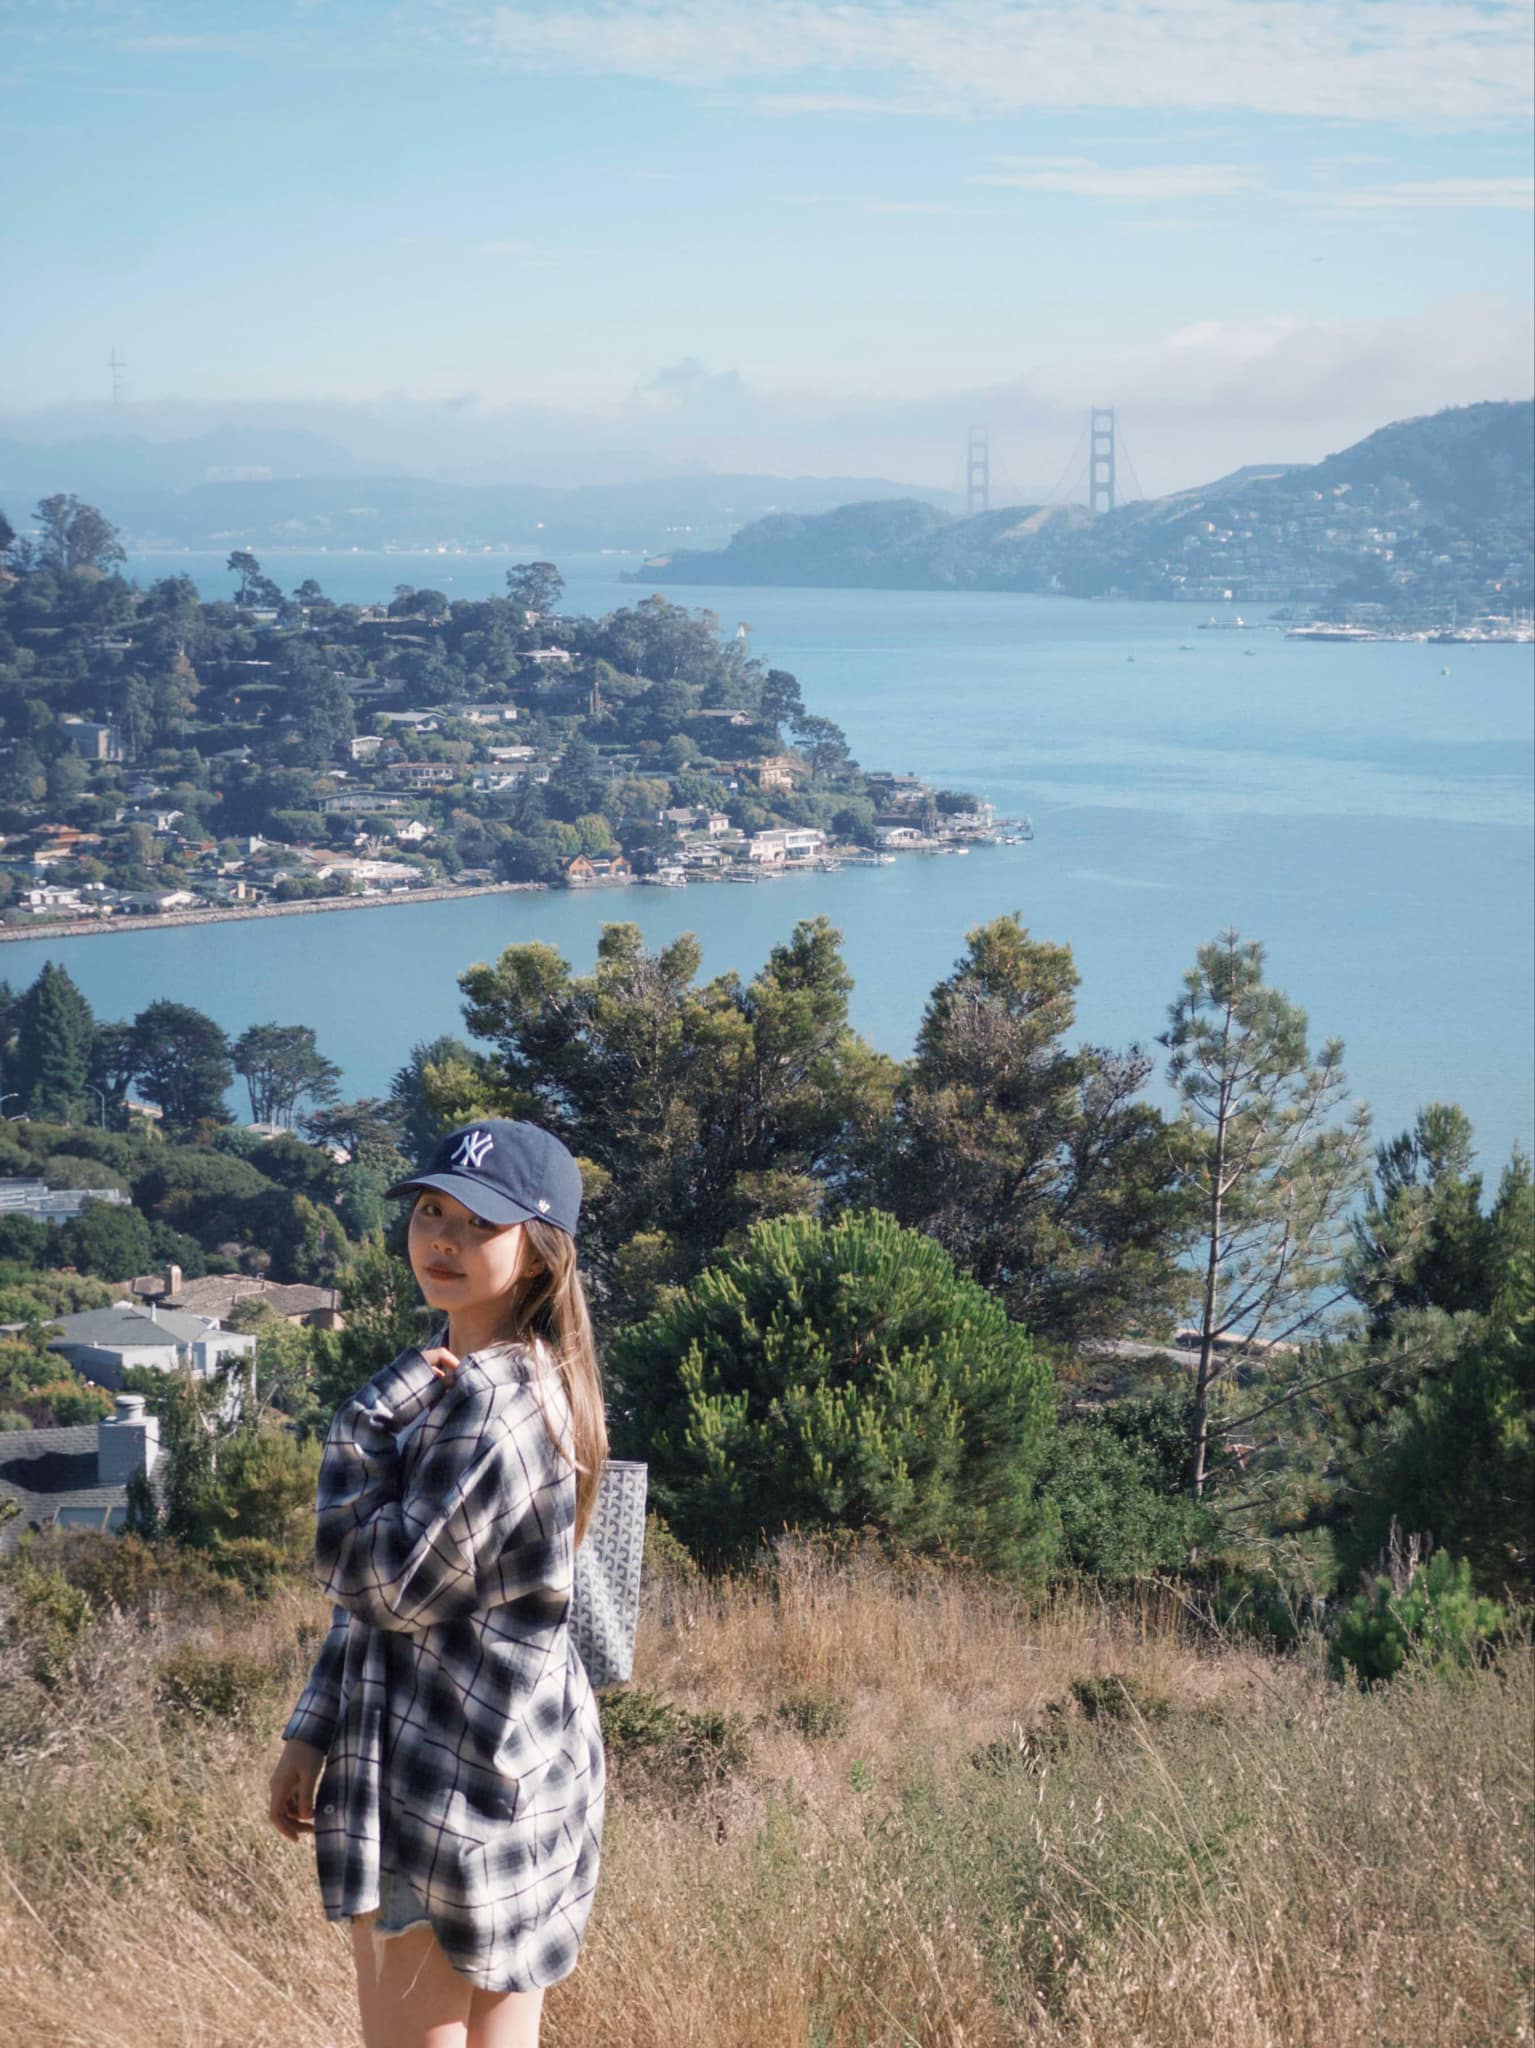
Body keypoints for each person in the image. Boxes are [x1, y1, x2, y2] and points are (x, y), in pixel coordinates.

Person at [269, 1117, 610, 2048]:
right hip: (518, 1766)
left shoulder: (485, 1406)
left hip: (446, 1786)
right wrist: (312, 1728)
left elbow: (376, 1586)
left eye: (479, 1224)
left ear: (539, 1255)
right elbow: (377, 1607)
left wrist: (363, 1417)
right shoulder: (514, 1380)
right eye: (430, 1211)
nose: (443, 1240)